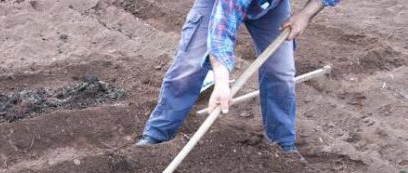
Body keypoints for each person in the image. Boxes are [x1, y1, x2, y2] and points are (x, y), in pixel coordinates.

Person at [135, 0, 340, 160]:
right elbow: (221, 33)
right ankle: (158, 133)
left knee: (281, 72)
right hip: (216, 5)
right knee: (189, 66)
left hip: (272, 8)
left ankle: (282, 142)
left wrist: (305, 15)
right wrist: (222, 83)